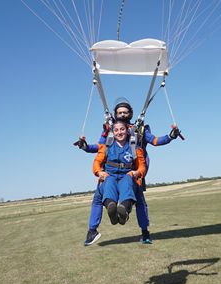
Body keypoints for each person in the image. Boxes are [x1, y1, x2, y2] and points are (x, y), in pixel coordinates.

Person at [77, 98, 181, 245]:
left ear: (130, 114)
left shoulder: (138, 130)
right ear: (115, 114)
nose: (122, 115)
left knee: (140, 202)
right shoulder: (109, 130)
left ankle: (144, 232)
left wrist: (170, 136)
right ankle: (95, 228)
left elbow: (156, 141)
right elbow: (99, 147)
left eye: (125, 112)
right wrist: (85, 146)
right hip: (110, 173)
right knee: (99, 198)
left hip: (132, 172)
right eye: (120, 112)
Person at [92, 120, 146, 226]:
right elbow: (97, 162)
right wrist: (99, 172)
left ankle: (124, 210)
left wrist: (137, 172)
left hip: (126, 175)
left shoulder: (134, 148)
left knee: (127, 181)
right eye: (116, 130)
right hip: (110, 176)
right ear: (113, 132)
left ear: (127, 131)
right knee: (109, 181)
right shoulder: (106, 147)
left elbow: (142, 166)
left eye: (122, 129)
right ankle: (111, 208)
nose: (119, 132)